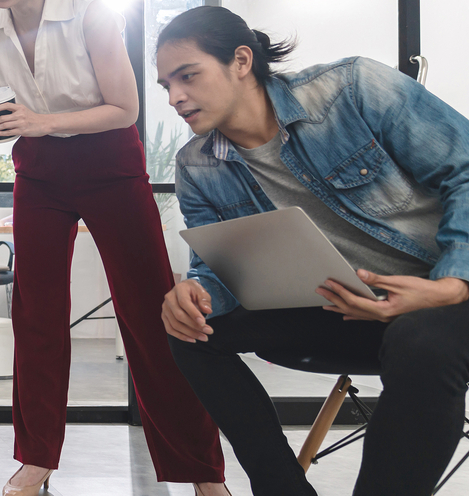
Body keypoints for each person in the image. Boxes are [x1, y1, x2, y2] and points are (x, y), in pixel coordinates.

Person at [156, 6, 469, 496]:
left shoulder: (353, 89)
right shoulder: (197, 165)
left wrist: (449, 286)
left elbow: (466, 171)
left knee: (421, 342)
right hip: (352, 309)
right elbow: (222, 266)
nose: (175, 97)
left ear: (241, 61)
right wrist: (195, 291)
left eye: (187, 76)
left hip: (448, 301)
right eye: (166, 86)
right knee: (191, 330)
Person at [0, 1, 228, 494]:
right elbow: (16, 108)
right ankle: (37, 457)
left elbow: (124, 108)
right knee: (35, 315)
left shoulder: (89, 14)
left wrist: (42, 121)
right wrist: (3, 126)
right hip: (38, 170)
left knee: (153, 313)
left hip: (109, 163)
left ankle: (201, 469)